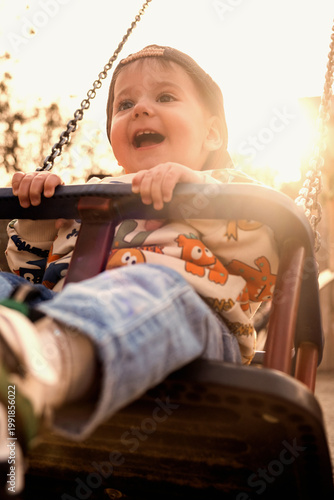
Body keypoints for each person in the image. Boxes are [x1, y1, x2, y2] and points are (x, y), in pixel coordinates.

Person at [0, 44, 278, 487]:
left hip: (192, 325)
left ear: (212, 135)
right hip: (62, 309)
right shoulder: (86, 196)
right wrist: (39, 214)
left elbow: (265, 265)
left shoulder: (233, 193)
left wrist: (201, 192)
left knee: (150, 285)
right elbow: (27, 280)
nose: (142, 109)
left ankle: (37, 364)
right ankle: (14, 382)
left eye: (165, 97)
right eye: (125, 104)